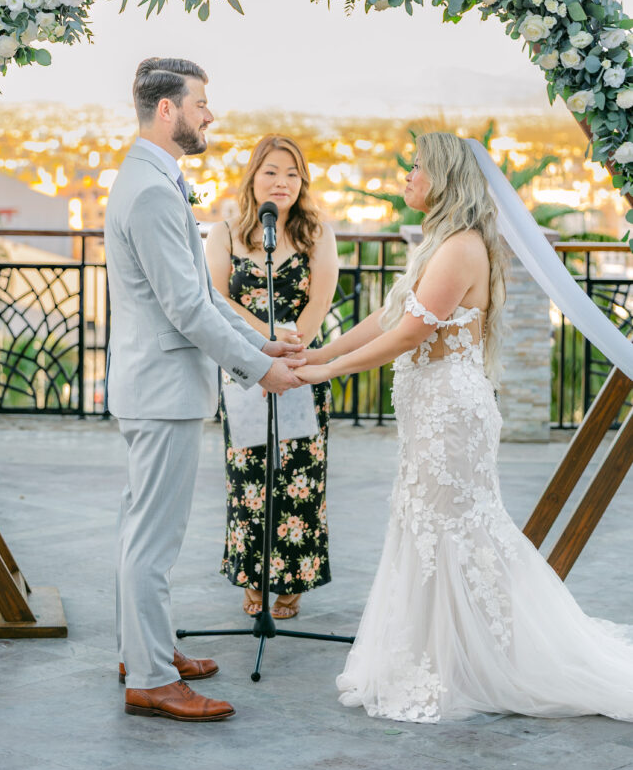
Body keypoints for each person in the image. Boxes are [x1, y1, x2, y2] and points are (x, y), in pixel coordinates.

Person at [298, 131, 633, 723]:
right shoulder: (439, 242)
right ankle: (444, 656)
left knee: (454, 530)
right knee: (425, 524)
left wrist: (328, 374)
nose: (407, 174)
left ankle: (482, 660)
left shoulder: (460, 247)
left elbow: (408, 335)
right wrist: (318, 355)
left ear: (444, 177)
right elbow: (387, 315)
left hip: (451, 412)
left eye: (417, 166)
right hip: (430, 407)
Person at [104, 59, 305, 723]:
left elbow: (198, 296)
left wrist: (260, 346)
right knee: (153, 541)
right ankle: (153, 679)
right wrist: (258, 371)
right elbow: (184, 312)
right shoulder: (155, 191)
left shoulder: (153, 177)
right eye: (200, 104)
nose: (208, 115)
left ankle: (147, 651)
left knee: (143, 532)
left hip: (156, 385)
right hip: (161, 389)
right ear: (168, 109)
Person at [205, 135, 338, 620]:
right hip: (245, 369)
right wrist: (265, 347)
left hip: (300, 370)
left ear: (302, 182)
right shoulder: (225, 234)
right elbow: (218, 300)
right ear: (253, 177)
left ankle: (292, 578)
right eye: (271, 172)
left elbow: (320, 300)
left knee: (298, 476)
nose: (281, 183)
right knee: (249, 480)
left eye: (291, 174)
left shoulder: (317, 232)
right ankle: (253, 577)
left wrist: (293, 350)